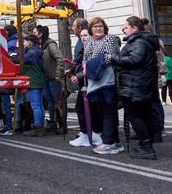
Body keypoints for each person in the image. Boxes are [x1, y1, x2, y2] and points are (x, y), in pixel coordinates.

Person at [110, 16, 162, 160]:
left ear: (134, 28)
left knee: (135, 116)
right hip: (142, 84)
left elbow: (134, 60)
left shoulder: (139, 42)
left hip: (135, 85)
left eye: (125, 27)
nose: (123, 29)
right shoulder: (143, 40)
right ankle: (146, 144)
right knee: (145, 115)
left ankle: (146, 146)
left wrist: (113, 58)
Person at [84, 17, 123, 155]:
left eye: (100, 26)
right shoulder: (89, 41)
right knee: (103, 111)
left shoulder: (110, 39)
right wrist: (89, 65)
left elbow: (110, 57)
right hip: (95, 81)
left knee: (109, 111)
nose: (98, 28)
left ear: (105, 27)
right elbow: (85, 59)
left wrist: (90, 65)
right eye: (95, 26)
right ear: (91, 29)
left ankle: (109, 142)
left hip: (108, 80)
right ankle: (114, 141)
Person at [69, 23, 104, 147]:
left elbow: (92, 66)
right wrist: (73, 71)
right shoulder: (83, 49)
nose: (83, 37)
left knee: (90, 109)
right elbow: (79, 65)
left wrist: (78, 75)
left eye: (86, 35)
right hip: (85, 83)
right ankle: (88, 133)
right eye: (82, 35)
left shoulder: (95, 48)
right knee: (83, 108)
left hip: (93, 83)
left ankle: (92, 133)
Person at [33, 25, 64, 132]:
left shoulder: (50, 45)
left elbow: (60, 58)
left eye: (35, 32)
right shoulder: (40, 46)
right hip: (46, 78)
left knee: (57, 101)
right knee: (50, 101)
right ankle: (52, 122)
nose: (33, 34)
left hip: (53, 77)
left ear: (40, 34)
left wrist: (58, 74)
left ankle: (62, 124)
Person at [22, 33, 46, 136]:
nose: (23, 43)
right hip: (39, 81)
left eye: (24, 41)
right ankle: (40, 126)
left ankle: (37, 127)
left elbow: (19, 60)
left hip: (33, 81)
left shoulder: (30, 53)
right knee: (39, 106)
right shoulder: (38, 52)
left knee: (35, 106)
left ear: (29, 42)